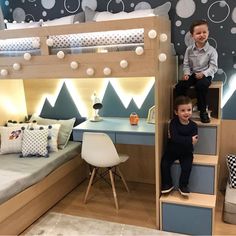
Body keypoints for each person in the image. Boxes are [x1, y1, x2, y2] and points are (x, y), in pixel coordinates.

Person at [175, 19, 218, 123]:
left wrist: (204, 73)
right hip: (193, 74)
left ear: (208, 33)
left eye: (204, 32)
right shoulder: (189, 49)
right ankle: (182, 109)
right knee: (180, 86)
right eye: (198, 33)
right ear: (192, 35)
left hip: (206, 75)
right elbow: (186, 64)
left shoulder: (212, 51)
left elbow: (213, 67)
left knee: (201, 86)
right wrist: (186, 74)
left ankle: (203, 111)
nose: (201, 35)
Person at [161, 96, 198, 196]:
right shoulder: (173, 123)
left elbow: (194, 141)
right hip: (172, 151)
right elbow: (174, 138)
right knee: (165, 164)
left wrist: (184, 141)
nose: (186, 113)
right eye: (183, 110)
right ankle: (168, 183)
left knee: (187, 167)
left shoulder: (194, 126)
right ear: (176, 112)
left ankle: (183, 185)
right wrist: (189, 140)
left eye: (189, 110)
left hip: (186, 152)